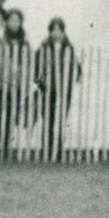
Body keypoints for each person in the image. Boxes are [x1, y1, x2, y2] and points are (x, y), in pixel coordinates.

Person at [33, 16, 81, 161]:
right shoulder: (43, 47)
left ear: (63, 31)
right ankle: (46, 150)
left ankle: (58, 151)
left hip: (64, 91)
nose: (56, 33)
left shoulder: (69, 48)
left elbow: (77, 69)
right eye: (53, 29)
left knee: (61, 121)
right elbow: (36, 69)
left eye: (59, 29)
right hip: (48, 91)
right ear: (49, 31)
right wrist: (41, 85)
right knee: (47, 120)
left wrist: (72, 80)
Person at [0, 7, 31, 156]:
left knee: (10, 118)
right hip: (0, 84)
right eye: (12, 20)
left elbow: (28, 63)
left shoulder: (23, 42)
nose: (15, 23)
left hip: (16, 85)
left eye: (17, 20)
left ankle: (5, 148)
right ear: (6, 22)